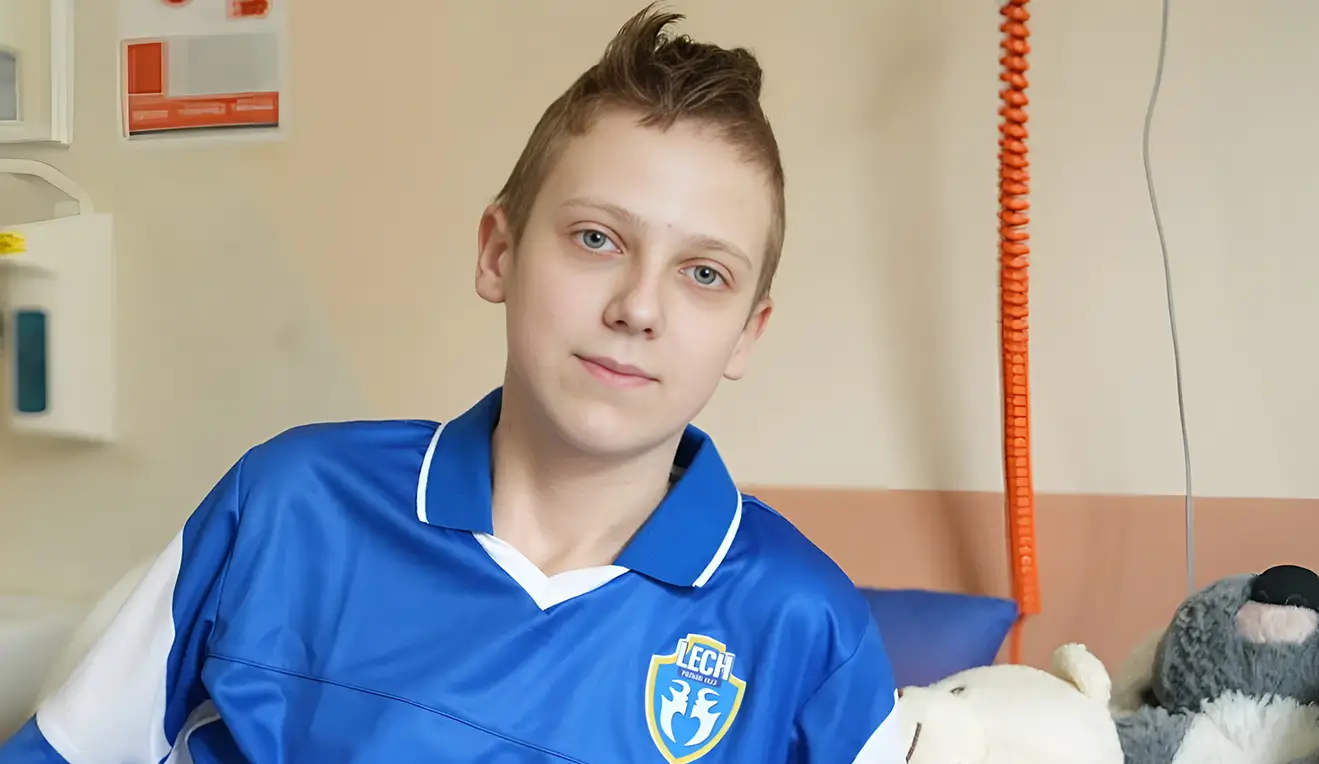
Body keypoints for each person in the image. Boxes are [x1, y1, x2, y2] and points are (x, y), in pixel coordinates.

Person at [0, 5, 903, 762]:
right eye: (596, 239)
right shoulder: (290, 506)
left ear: (747, 332)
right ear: (498, 252)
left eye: (703, 273)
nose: (638, 307)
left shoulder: (804, 626)